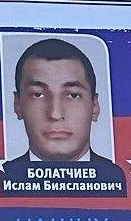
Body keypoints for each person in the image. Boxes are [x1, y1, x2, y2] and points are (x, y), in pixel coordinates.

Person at [6, 37, 116, 172]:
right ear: (17, 104)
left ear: (94, 106)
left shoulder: (126, 179)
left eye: (73, 95)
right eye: (38, 95)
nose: (55, 114)